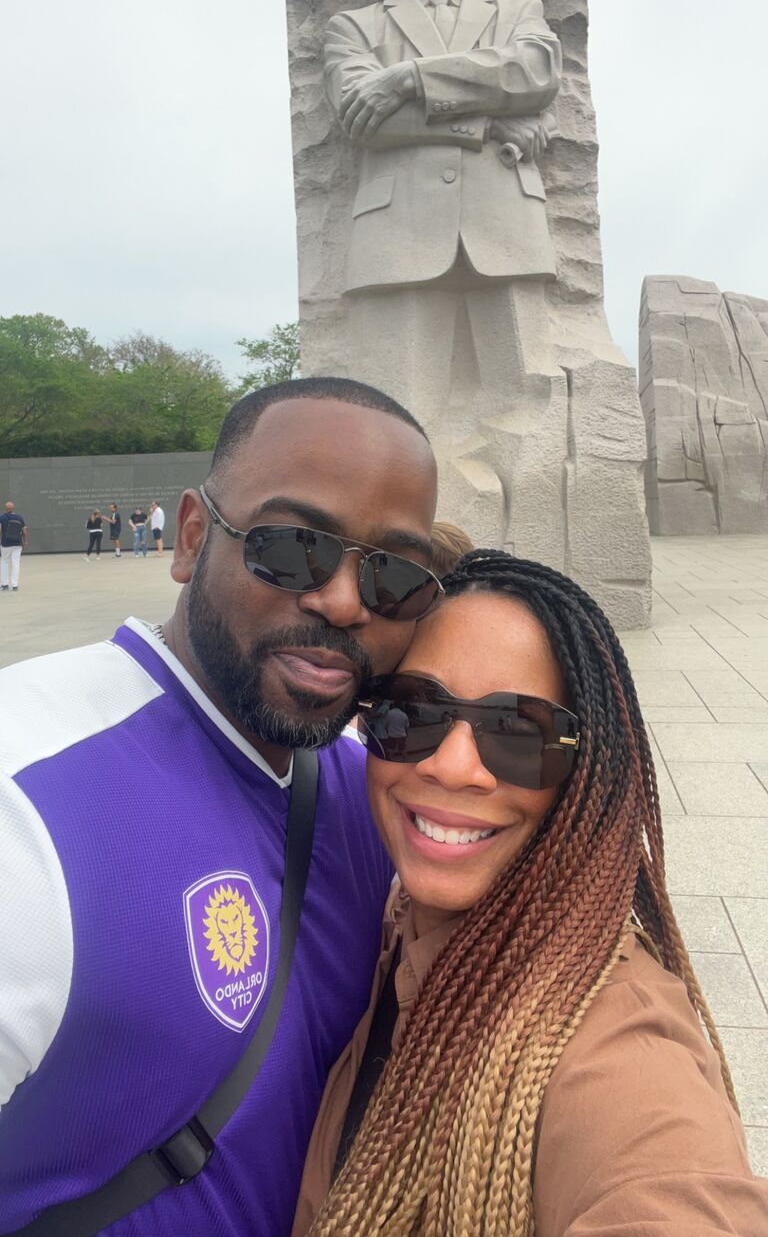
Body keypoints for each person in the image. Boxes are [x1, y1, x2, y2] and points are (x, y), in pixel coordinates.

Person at [0, 377, 440, 1236]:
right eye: (292, 546)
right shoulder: (28, 796)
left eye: (391, 574)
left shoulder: (371, 791)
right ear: (192, 536)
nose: (343, 600)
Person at [294, 551, 768, 1235]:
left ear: (585, 772)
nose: (452, 765)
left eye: (519, 733)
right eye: (412, 712)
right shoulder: (405, 923)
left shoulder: (619, 1042)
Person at [324, 0, 561, 439]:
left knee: (527, 402)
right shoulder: (355, 26)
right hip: (397, 235)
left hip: (506, 226)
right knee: (393, 410)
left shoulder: (518, 12)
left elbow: (535, 72)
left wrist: (408, 76)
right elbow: (365, 117)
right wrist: (490, 119)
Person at [0, 501, 28, 592]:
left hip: (5, 544)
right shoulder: (19, 517)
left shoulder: (2, 517)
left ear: (5, 509)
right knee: (16, 564)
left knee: (4, 562)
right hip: (17, 544)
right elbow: (24, 531)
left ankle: (4, 585)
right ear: (13, 508)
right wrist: (25, 542)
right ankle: (15, 585)